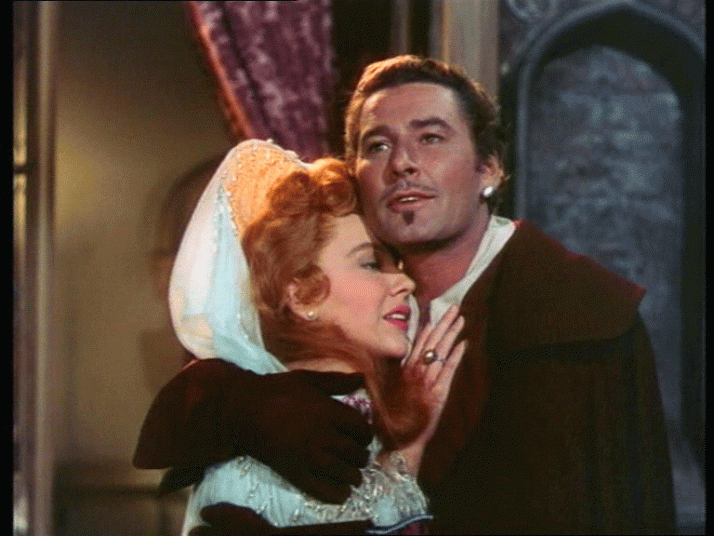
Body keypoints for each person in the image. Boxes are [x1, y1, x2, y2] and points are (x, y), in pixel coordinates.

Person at [134, 56, 675, 534]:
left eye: (431, 138)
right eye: (378, 145)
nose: (402, 163)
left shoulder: (582, 314)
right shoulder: (344, 303)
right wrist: (250, 407)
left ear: (488, 167)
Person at [145, 138, 466, 534]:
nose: (403, 282)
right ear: (301, 295)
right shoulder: (257, 457)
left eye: (397, 264)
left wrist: (409, 447)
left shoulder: (373, 420)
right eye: (370, 263)